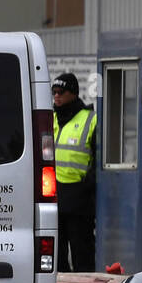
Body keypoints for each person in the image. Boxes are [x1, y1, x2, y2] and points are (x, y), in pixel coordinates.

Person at [52, 72, 97, 271]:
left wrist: (88, 186)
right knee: (56, 257)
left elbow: (99, 160)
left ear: (73, 94)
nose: (56, 96)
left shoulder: (90, 119)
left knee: (82, 255)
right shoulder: (50, 118)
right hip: (53, 196)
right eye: (54, 92)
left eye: (61, 92)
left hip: (79, 199)